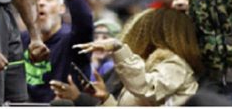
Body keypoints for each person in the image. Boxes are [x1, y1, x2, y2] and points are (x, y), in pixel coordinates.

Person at [63, 8, 203, 106]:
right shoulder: (146, 66)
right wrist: (105, 98)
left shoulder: (174, 64)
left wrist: (118, 48)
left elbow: (146, 88)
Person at [21, 0, 94, 103]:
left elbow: (85, 21)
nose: (41, 3)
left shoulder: (72, 40)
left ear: (61, 8)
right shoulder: (21, 40)